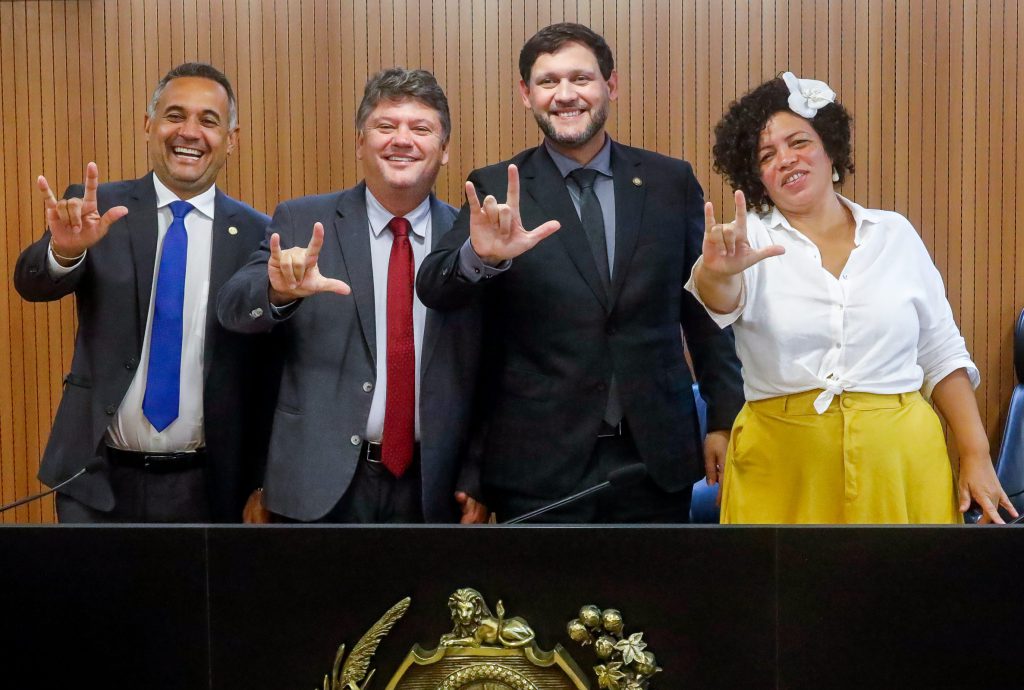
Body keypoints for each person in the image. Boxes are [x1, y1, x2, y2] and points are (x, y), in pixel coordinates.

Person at [416, 23, 744, 523]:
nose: (565, 95)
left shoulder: (667, 182)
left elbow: (700, 309)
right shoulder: (496, 187)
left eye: (580, 79)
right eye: (547, 82)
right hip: (536, 467)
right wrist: (482, 258)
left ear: (610, 86)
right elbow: (437, 288)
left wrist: (723, 417)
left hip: (655, 460)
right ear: (526, 95)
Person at [688, 72, 1016, 524]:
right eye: (767, 155)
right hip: (783, 463)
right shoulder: (747, 243)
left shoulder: (895, 234)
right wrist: (714, 271)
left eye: (798, 142)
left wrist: (976, 455)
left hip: (900, 459)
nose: (785, 159)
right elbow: (717, 298)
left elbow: (940, 353)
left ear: (830, 149)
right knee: (785, 594)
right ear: (757, 176)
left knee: (902, 591)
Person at [217, 68, 485, 524]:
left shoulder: (471, 239)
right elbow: (233, 308)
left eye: (421, 129)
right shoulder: (304, 221)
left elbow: (492, 370)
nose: (402, 140)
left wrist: (478, 477)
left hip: (432, 489)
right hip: (314, 483)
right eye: (386, 127)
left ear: (443, 151)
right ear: (361, 141)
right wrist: (277, 291)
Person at [14, 62, 274, 523]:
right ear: (149, 125)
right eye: (175, 115)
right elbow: (33, 284)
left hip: (209, 487)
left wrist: (260, 481)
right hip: (95, 478)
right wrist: (64, 251)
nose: (189, 132)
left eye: (209, 121)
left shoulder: (257, 234)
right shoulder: (99, 211)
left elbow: (269, 371)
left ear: (231, 140)